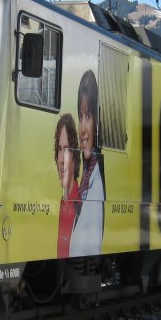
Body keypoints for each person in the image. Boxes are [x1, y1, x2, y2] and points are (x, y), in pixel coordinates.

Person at [71, 70, 104, 256]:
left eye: (88, 116)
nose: (82, 129)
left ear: (97, 124)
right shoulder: (87, 182)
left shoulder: (95, 188)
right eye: (80, 117)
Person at [55, 114, 80, 259]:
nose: (61, 160)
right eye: (59, 149)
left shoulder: (79, 206)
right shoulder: (63, 203)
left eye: (67, 149)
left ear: (75, 156)